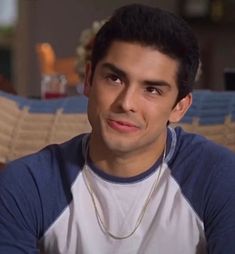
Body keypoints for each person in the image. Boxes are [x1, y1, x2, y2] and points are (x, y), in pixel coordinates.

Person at [0, 4, 235, 254]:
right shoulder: (27, 184)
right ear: (89, 79)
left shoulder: (219, 178)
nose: (126, 103)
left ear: (180, 106)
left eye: (152, 89)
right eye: (115, 79)